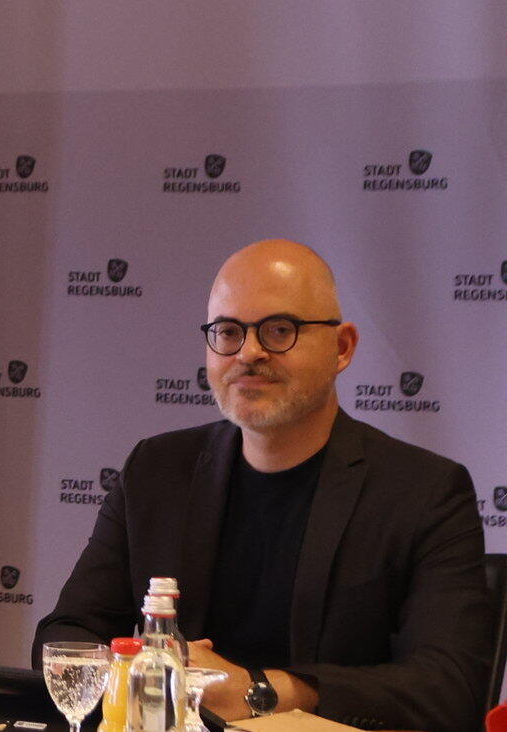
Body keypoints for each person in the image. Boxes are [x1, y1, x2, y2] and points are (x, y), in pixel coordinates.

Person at [34, 240, 491, 731]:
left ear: (342, 348)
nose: (249, 353)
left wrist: (261, 691)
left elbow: (449, 690)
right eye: (228, 332)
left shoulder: (425, 491)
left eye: (279, 330)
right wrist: (147, 674)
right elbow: (66, 637)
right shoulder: (156, 470)